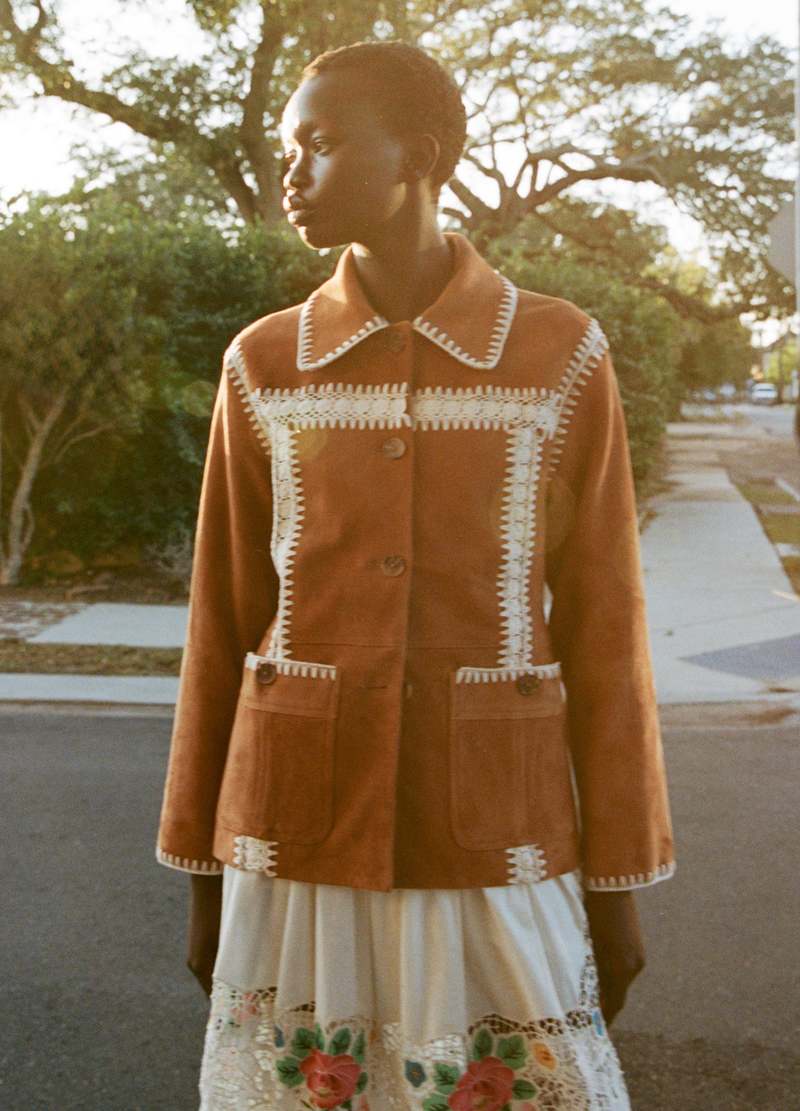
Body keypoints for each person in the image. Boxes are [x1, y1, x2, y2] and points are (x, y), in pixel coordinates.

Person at [155, 40, 675, 1111]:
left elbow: (605, 626)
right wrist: (205, 878)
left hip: (495, 831)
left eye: (320, 143)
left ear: (419, 157)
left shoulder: (560, 356)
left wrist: (615, 886)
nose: (291, 171)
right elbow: (221, 622)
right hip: (295, 835)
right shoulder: (264, 364)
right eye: (288, 147)